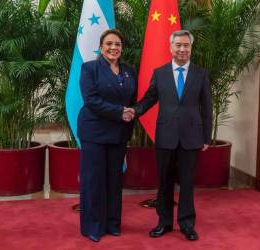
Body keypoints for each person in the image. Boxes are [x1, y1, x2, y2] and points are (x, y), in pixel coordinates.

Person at [125, 30, 212, 241]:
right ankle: (163, 222)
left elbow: (207, 108)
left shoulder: (201, 74)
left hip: (192, 137)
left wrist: (207, 137)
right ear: (170, 48)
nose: (182, 49)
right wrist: (134, 111)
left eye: (186, 45)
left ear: (191, 48)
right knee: (164, 182)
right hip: (166, 136)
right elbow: (149, 99)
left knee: (187, 183)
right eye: (178, 45)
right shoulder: (160, 73)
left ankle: (187, 224)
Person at [77, 29, 137, 242]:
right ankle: (93, 226)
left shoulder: (129, 70)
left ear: (122, 48)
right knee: (94, 180)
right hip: (94, 131)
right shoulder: (89, 68)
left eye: (118, 44)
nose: (114, 48)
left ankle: (112, 223)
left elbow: (132, 98)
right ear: (101, 47)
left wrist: (131, 111)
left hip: (119, 133)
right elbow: (91, 100)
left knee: (114, 180)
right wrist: (120, 112)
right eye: (109, 43)